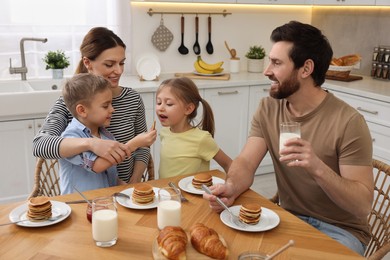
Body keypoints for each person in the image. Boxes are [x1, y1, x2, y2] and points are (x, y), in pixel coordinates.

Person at [203, 21, 374, 256]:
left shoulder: (349, 122)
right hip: (288, 219)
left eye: (276, 63)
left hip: (342, 232)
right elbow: (245, 162)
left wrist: (317, 168)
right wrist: (231, 186)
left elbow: (362, 205)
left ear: (305, 69)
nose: (266, 71)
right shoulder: (268, 109)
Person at [33, 27, 152, 183]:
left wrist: (133, 183)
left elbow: (142, 146)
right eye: (109, 64)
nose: (118, 71)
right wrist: (91, 143)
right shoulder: (70, 103)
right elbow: (40, 145)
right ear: (87, 62)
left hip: (126, 192)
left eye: (121, 63)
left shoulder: (133, 99)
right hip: (90, 197)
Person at [59, 74, 156, 194]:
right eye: (105, 106)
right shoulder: (71, 138)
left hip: (104, 202)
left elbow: (110, 174)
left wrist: (125, 188)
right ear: (82, 110)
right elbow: (97, 166)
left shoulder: (106, 135)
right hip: (78, 205)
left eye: (111, 104)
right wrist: (135, 143)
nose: (112, 109)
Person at [155, 77, 232, 178]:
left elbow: (228, 164)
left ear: (188, 109)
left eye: (169, 104)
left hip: (191, 193)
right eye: (158, 102)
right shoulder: (164, 132)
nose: (160, 108)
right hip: (166, 192)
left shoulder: (201, 139)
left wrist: (230, 187)